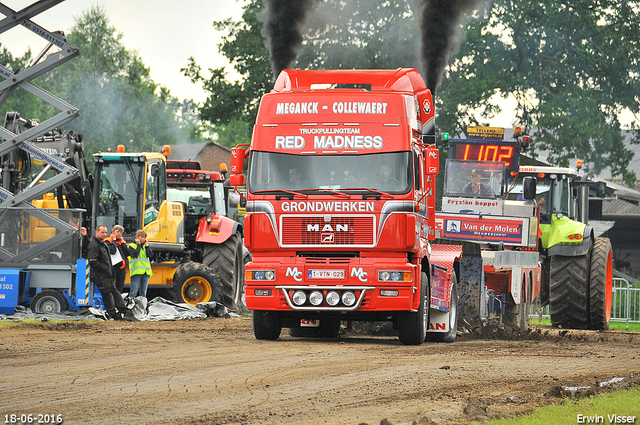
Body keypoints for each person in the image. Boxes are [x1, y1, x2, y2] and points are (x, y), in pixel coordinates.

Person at [87, 225, 135, 321]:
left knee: (115, 293)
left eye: (105, 232)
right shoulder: (94, 245)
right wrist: (105, 269)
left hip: (106, 274)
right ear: (96, 232)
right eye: (102, 232)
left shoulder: (102, 244)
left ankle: (125, 312)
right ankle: (114, 315)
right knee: (108, 295)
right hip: (100, 275)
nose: (104, 234)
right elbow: (92, 261)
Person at [128, 229, 154, 299]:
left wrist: (147, 246)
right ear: (138, 237)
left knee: (143, 293)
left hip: (146, 272)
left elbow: (150, 255)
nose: (144, 239)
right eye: (142, 237)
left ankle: (142, 306)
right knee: (134, 292)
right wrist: (139, 245)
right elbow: (135, 254)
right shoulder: (131, 246)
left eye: (145, 237)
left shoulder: (145, 247)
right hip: (136, 271)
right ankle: (131, 306)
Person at [104, 225, 130, 294]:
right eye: (117, 232)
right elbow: (112, 251)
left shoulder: (122, 242)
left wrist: (122, 244)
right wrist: (114, 241)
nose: (119, 234)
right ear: (113, 232)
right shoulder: (108, 241)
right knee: (111, 285)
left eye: (121, 232)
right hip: (113, 267)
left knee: (120, 286)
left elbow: (127, 253)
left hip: (122, 267)